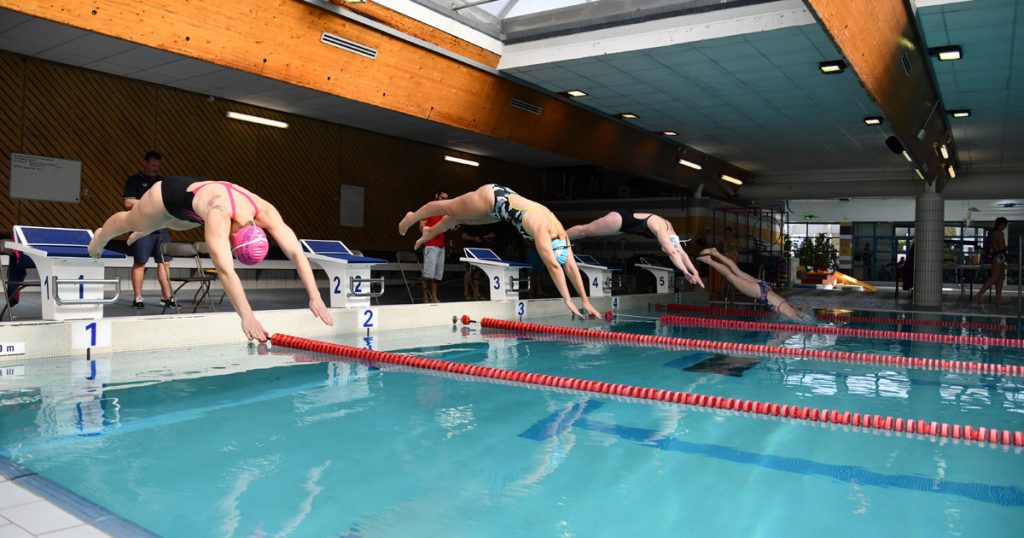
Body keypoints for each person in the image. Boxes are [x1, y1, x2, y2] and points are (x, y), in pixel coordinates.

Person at [87, 177, 333, 340]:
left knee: (180, 223)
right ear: (235, 235)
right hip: (167, 196)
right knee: (134, 220)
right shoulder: (219, 215)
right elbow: (226, 271)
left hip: (191, 209)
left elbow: (296, 252)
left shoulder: (265, 212)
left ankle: (150, 227)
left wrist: (315, 297)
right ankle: (101, 236)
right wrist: (247, 316)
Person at [398, 184, 601, 318]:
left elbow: (570, 267)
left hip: (498, 212)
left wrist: (584, 299)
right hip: (492, 197)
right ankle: (412, 217)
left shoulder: (562, 236)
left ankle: (429, 232)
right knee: (450, 208)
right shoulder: (542, 231)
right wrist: (567, 299)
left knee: (460, 217)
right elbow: (555, 267)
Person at [565, 211, 703, 287]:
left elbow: (681, 253)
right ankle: (559, 236)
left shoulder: (671, 233)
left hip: (624, 228)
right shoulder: (663, 231)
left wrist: (695, 272)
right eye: (665, 249)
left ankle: (560, 237)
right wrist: (685, 271)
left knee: (586, 232)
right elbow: (673, 253)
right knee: (585, 231)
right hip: (620, 221)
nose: (665, 250)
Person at [123, 150, 175, 309]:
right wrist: (148, 204)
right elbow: (128, 202)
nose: (155, 168)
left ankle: (166, 297)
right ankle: (137, 298)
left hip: (161, 227)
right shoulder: (134, 180)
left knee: (165, 263)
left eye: (158, 166)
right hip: (142, 227)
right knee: (140, 262)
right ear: (145, 164)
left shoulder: (162, 181)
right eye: (153, 165)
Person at [697, 247, 806, 322]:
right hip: (760, 292)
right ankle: (709, 260)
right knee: (731, 276)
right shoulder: (791, 312)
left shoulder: (793, 308)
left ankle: (715, 252)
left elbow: (801, 315)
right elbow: (799, 322)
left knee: (737, 270)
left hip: (765, 287)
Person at [418, 190, 448, 303]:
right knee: (427, 274)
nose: (445, 200)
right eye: (442, 198)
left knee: (437, 275)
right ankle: (425, 298)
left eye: (446, 199)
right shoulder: (429, 209)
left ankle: (434, 297)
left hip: (441, 246)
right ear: (436, 196)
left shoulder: (445, 212)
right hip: (431, 245)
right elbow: (421, 227)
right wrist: (431, 229)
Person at [974, 217, 1008, 304]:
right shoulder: (999, 233)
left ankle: (998, 298)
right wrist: (1007, 247)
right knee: (995, 277)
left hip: (997, 256)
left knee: (1001, 277)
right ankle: (978, 295)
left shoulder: (993, 232)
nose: (1006, 227)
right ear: (1001, 224)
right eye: (1005, 225)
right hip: (999, 256)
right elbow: (1001, 247)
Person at [459, 225, 494, 300]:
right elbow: (463, 236)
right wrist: (474, 239)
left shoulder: (482, 224)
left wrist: (488, 236)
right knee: (469, 271)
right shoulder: (468, 223)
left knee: (478, 271)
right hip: (469, 250)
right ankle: (466, 293)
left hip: (480, 250)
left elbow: (481, 238)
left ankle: (476, 293)